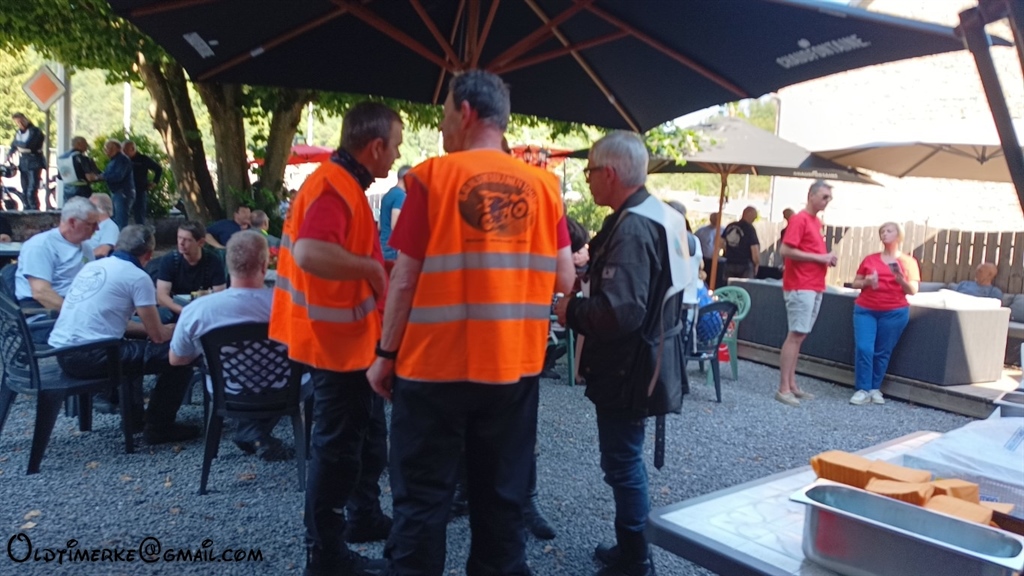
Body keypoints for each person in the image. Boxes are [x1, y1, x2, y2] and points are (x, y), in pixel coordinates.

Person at [366, 70, 574, 576]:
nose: (442, 128)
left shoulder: (431, 178)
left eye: (443, 116)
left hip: (432, 369)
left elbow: (405, 279)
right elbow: (565, 278)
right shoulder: (544, 188)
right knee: (502, 499)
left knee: (422, 500)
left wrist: (385, 355)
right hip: (512, 370)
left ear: (465, 112)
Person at [269, 101, 402, 576]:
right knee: (338, 449)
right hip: (334, 345)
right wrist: (372, 269)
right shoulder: (334, 185)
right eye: (396, 146)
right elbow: (310, 252)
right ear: (376, 146)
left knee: (364, 439)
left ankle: (363, 516)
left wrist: (380, 268)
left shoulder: (341, 183)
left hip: (347, 342)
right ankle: (325, 555)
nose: (397, 155)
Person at [553, 132, 690, 576]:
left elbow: (621, 312)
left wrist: (570, 310)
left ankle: (635, 558)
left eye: (590, 171)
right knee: (625, 460)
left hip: (629, 366)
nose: (587, 179)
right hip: (650, 360)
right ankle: (633, 549)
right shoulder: (661, 215)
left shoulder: (632, 227)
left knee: (623, 463)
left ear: (609, 173)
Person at [48, 225, 199, 445]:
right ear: (148, 255)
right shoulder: (137, 277)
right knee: (182, 354)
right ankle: (159, 428)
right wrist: (177, 329)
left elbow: (115, 322)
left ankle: (135, 418)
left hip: (65, 353)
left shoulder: (93, 267)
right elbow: (158, 336)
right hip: (95, 356)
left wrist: (155, 330)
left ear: (118, 246)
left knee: (135, 348)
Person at [168, 230, 290, 460]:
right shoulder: (291, 307)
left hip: (227, 389)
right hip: (284, 389)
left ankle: (251, 431)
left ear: (228, 264)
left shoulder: (198, 310)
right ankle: (255, 432)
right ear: (264, 266)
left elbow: (177, 359)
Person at [776, 180, 838, 407]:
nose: (827, 201)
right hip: (800, 285)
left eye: (829, 198)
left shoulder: (815, 222)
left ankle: (792, 384)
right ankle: (783, 388)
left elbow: (807, 250)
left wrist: (824, 259)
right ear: (811, 195)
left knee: (800, 335)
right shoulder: (799, 219)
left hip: (813, 285)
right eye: (824, 196)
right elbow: (785, 250)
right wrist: (820, 257)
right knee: (795, 335)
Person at [849, 222, 920, 406]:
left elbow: (913, 290)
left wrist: (901, 280)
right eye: (882, 231)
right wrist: (867, 281)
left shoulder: (908, 262)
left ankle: (874, 388)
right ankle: (862, 389)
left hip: (894, 312)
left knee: (882, 351)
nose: (884, 234)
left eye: (889, 231)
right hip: (866, 309)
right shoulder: (870, 259)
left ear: (898, 236)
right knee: (864, 348)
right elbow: (855, 283)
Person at [15, 197, 99, 313]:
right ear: (72, 222)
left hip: (79, 305)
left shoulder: (87, 248)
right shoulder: (41, 246)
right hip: (45, 311)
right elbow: (41, 292)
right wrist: (76, 314)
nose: (97, 229)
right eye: (92, 224)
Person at [155, 220, 227, 323]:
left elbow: (220, 295)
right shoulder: (169, 260)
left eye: (187, 240)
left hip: (204, 309)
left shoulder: (213, 261)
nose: (181, 243)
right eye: (179, 238)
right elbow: (161, 296)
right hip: (175, 308)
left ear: (201, 242)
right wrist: (185, 311)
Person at [91, 140, 135, 229]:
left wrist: (100, 177)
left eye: (109, 148)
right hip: (118, 193)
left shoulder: (122, 160)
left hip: (122, 193)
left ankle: (121, 238)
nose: (106, 150)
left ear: (117, 148)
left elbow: (118, 176)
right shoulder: (115, 160)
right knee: (116, 220)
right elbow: (109, 174)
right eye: (106, 148)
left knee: (120, 222)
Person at [7, 113, 45, 210]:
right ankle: (27, 208)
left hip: (34, 162)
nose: (20, 124)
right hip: (23, 162)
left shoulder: (35, 131)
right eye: (17, 122)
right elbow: (14, 145)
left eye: (21, 121)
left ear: (25, 119)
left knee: (31, 191)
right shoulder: (19, 133)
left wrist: (17, 144)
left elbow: (29, 144)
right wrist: (9, 154)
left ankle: (34, 210)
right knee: (24, 189)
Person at [379, 165, 411, 274]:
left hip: (383, 245)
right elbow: (395, 224)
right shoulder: (400, 196)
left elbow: (380, 225)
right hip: (392, 249)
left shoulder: (388, 194)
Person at [123, 140, 162, 225]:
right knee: (123, 215)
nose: (124, 152)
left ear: (132, 149)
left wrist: (155, 182)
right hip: (125, 191)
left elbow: (158, 169)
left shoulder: (143, 159)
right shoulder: (123, 160)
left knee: (139, 216)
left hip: (140, 191)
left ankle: (140, 231)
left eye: (125, 150)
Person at [56, 136, 100, 200]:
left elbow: (60, 177)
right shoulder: (82, 158)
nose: (87, 147)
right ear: (79, 144)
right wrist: (99, 177)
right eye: (85, 144)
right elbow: (89, 177)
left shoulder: (61, 158)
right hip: (82, 191)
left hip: (67, 191)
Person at [722, 206, 760, 279]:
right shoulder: (749, 229)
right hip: (745, 264)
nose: (754, 220)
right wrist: (756, 263)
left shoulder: (730, 226)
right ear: (749, 214)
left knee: (729, 285)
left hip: (729, 262)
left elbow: (720, 242)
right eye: (754, 217)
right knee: (745, 285)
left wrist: (729, 250)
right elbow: (754, 249)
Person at [89, 193, 120, 258]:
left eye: (90, 206)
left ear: (101, 208)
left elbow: (102, 251)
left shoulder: (110, 227)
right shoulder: (90, 224)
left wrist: (80, 257)